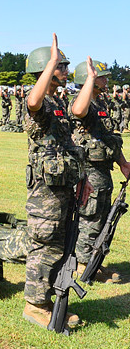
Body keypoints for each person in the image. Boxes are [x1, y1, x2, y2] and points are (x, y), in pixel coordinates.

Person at [21, 36, 84, 330]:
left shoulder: (58, 102)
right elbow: (33, 102)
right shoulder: (38, 100)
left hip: (63, 186)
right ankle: (34, 305)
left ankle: (47, 300)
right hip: (45, 191)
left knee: (59, 246)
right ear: (44, 68)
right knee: (44, 246)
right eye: (61, 65)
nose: (65, 69)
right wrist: (50, 62)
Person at [70, 58, 130, 282]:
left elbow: (109, 138)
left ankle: (95, 262)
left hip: (104, 169)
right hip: (89, 169)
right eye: (101, 76)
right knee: (90, 217)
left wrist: (123, 163)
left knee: (104, 217)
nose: (106, 80)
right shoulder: (80, 103)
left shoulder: (101, 104)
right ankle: (84, 264)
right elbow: (79, 111)